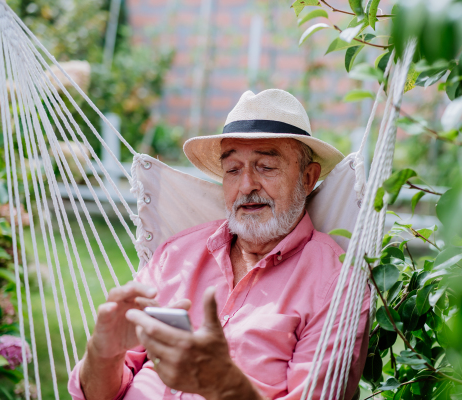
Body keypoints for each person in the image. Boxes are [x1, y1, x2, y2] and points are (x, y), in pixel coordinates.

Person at [68, 89, 370, 400]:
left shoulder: (335, 285)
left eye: (266, 166)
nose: (246, 185)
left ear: (307, 178)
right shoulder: (176, 255)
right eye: (233, 169)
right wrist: (103, 353)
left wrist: (224, 385)